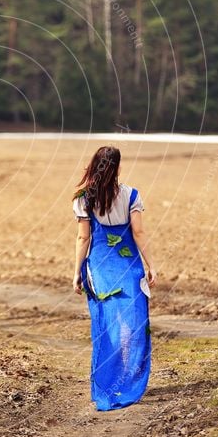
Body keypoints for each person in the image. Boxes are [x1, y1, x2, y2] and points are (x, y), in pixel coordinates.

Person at [72, 146, 157, 411]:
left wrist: (76, 272)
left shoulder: (83, 199)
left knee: (106, 325)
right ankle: (129, 379)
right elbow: (139, 233)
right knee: (133, 323)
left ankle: (107, 382)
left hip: (99, 268)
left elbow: (83, 237)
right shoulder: (132, 195)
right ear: (118, 167)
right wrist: (151, 265)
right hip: (129, 266)